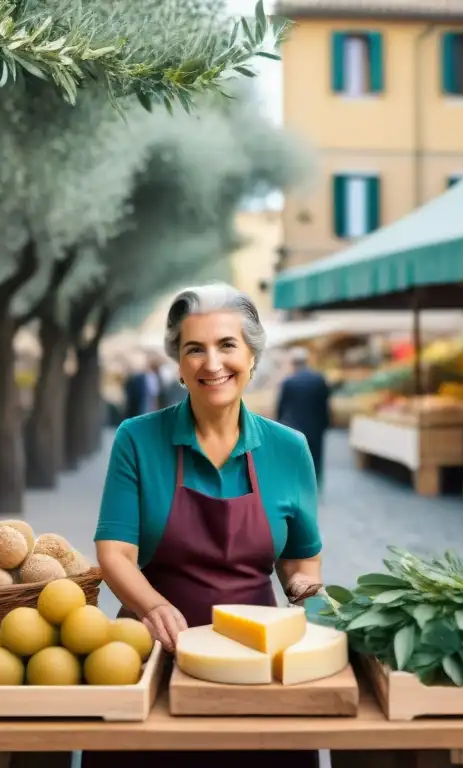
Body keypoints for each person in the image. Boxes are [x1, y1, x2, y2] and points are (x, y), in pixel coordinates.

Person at [90, 283, 322, 768]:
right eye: (194, 349)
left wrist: (304, 586)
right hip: (153, 655)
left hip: (258, 668)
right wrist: (151, 606)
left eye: (227, 345)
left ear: (252, 356)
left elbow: (300, 557)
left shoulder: (290, 448)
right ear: (177, 363)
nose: (211, 363)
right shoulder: (137, 439)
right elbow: (115, 553)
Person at [276, 346, 332, 488]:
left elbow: (281, 406)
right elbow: (325, 403)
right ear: (307, 361)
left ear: (294, 363)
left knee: (296, 456)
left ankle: (297, 485)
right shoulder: (319, 379)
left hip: (294, 426)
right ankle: (315, 484)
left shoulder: (289, 381)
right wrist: (326, 423)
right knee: (316, 456)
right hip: (316, 425)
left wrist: (279, 425)